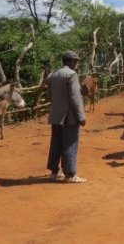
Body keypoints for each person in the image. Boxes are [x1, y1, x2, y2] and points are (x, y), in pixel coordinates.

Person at [46, 51, 87, 183]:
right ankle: (70, 174)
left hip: (55, 116)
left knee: (56, 144)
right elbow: (75, 98)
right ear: (71, 61)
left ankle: (54, 172)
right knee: (70, 144)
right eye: (76, 61)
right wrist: (81, 116)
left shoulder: (53, 75)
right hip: (69, 117)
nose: (76, 64)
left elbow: (50, 95)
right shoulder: (71, 74)